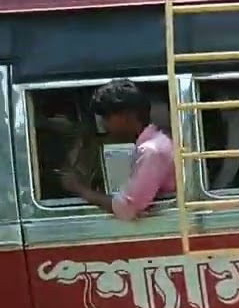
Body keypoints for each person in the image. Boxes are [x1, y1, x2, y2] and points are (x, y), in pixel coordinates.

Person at [57, 80, 175, 221]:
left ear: (127, 116)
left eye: (107, 117)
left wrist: (79, 188)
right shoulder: (156, 142)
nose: (104, 124)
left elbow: (128, 207)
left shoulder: (151, 151)